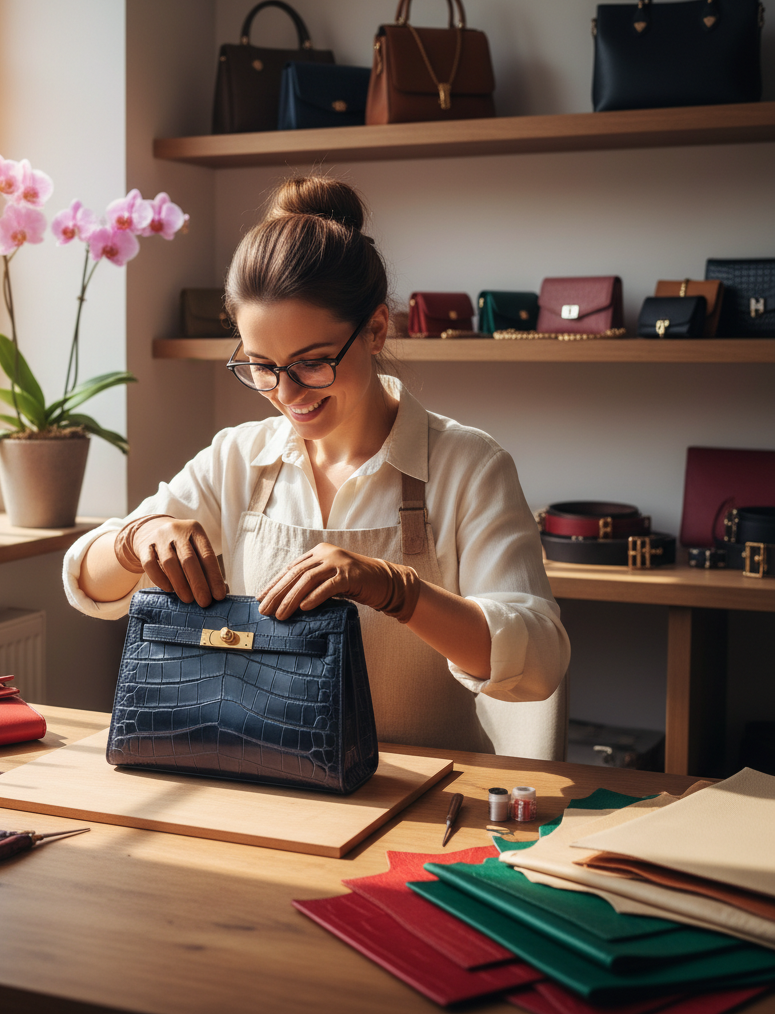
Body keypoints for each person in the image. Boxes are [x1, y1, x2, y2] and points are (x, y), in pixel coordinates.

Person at [64, 176, 570, 759]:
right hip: (276, 782)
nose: (286, 392)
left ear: (376, 328)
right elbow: (86, 581)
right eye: (261, 366)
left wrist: (397, 591)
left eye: (312, 363)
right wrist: (137, 538)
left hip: (428, 797)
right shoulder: (238, 458)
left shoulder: (469, 467)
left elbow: (539, 660)